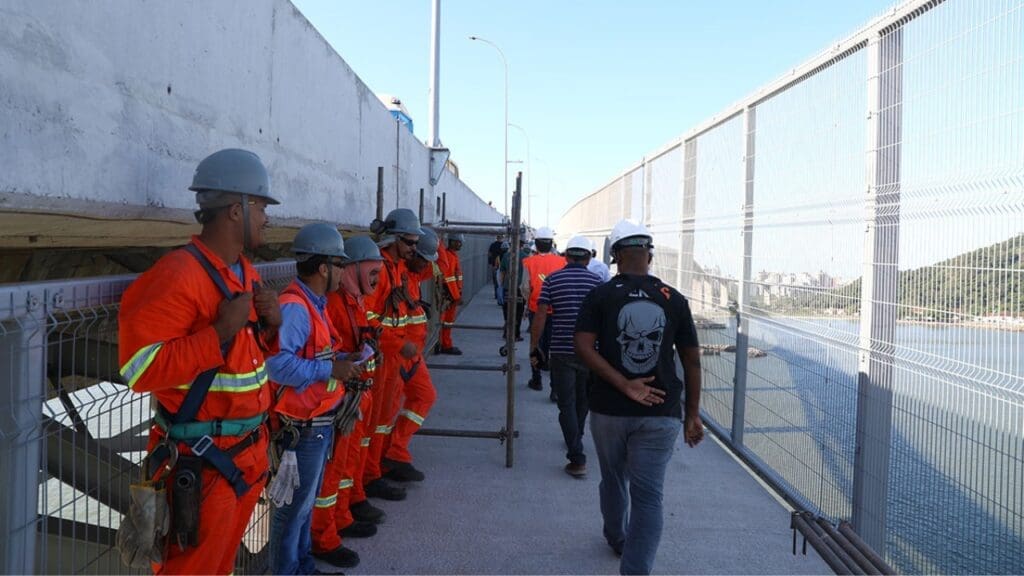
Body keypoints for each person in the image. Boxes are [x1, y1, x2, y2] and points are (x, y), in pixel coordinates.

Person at [118, 148, 282, 575]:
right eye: (262, 206)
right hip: (203, 463)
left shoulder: (244, 272)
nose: (267, 217)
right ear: (236, 209)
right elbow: (140, 369)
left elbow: (244, 365)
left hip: (245, 455)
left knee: (220, 568)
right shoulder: (179, 274)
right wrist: (218, 332)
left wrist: (270, 326)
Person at [574, 219, 704, 576]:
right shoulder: (673, 299)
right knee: (649, 498)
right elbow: (691, 359)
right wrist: (692, 414)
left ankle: (616, 536)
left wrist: (623, 383)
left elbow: (583, 346)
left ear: (615, 256)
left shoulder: (600, 295)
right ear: (650, 254)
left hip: (608, 409)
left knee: (613, 478)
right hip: (661, 412)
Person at [267, 223, 362, 574]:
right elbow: (276, 365)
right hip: (302, 429)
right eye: (339, 265)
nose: (342, 272)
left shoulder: (314, 305)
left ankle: (303, 566)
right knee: (291, 510)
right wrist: (329, 372)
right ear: (323, 268)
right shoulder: (296, 307)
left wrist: (341, 363)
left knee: (304, 506)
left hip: (317, 424)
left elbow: (315, 355)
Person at [311, 236, 386, 568]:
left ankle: (342, 514)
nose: (376, 280)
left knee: (348, 464)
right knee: (333, 471)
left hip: (359, 394)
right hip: (345, 398)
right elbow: (330, 351)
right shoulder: (338, 303)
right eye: (371, 272)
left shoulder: (354, 300)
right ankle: (324, 538)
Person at [362, 208, 423, 502]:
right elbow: (368, 318)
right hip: (383, 357)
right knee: (373, 423)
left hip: (391, 357)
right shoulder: (380, 269)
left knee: (383, 421)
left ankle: (375, 471)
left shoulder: (396, 268)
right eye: (409, 242)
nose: (414, 248)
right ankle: (369, 477)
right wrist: (399, 345)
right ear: (394, 239)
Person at [530, 235, 602, 477]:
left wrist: (534, 346)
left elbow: (540, 316)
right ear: (589, 257)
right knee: (583, 401)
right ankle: (577, 437)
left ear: (566, 256)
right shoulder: (598, 282)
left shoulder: (553, 280)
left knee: (566, 404)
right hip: (591, 352)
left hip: (561, 350)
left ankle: (577, 455)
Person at [382, 228, 440, 481]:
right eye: (423, 258)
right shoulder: (398, 273)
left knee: (424, 396)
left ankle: (394, 451)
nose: (427, 265)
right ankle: (386, 460)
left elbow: (439, 267)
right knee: (385, 413)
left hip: (411, 353)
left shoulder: (414, 273)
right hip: (399, 353)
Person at [521, 227, 566, 396]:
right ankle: (555, 388)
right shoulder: (562, 262)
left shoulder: (528, 262)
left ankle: (537, 379)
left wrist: (528, 302)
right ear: (551, 243)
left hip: (536, 308)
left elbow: (525, 287)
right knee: (555, 347)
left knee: (536, 344)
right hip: (557, 310)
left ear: (536, 243)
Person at [436, 232, 464, 355]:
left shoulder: (452, 255)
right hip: (450, 296)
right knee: (446, 321)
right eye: (457, 242)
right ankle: (445, 345)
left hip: (451, 295)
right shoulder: (449, 256)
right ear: (451, 242)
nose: (460, 244)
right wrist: (456, 296)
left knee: (447, 322)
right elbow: (449, 278)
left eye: (460, 242)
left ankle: (444, 343)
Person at [498, 240, 530, 341]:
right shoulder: (526, 257)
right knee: (518, 312)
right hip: (520, 288)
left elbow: (502, 272)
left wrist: (501, 286)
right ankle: (515, 334)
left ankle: (506, 332)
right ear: (522, 245)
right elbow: (528, 275)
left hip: (508, 287)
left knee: (507, 310)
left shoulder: (506, 256)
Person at [488, 234, 506, 301]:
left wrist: (490, 262)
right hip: (504, 267)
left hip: (495, 265)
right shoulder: (504, 245)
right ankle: (502, 296)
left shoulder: (493, 245)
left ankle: (496, 294)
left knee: (496, 281)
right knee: (503, 282)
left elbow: (490, 254)